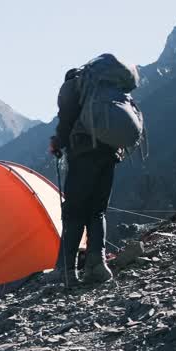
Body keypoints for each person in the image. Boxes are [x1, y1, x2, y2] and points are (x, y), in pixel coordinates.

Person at [48, 66, 121, 286]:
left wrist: (57, 144)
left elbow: (66, 121)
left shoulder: (72, 88)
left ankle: (66, 270)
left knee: (74, 212)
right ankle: (97, 265)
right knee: (97, 212)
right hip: (109, 155)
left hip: (83, 156)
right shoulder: (106, 92)